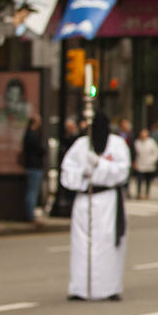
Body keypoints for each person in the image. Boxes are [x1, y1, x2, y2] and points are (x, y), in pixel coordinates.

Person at [59, 115, 131, 301]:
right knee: (81, 244)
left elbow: (123, 171)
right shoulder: (81, 145)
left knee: (106, 243)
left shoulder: (117, 144)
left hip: (107, 199)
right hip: (85, 198)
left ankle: (108, 287)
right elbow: (66, 171)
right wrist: (82, 173)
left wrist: (102, 164)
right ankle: (80, 287)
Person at [22, 115, 47, 222]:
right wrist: (43, 150)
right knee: (33, 191)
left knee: (32, 191)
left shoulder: (28, 134)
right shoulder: (33, 135)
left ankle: (30, 213)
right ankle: (30, 215)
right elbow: (39, 149)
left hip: (30, 165)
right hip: (35, 166)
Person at [132, 128, 158, 200]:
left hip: (149, 164)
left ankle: (147, 193)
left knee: (148, 180)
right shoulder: (137, 142)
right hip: (140, 163)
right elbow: (135, 153)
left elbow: (157, 153)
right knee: (139, 180)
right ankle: (138, 193)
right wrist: (135, 162)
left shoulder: (151, 142)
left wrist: (152, 160)